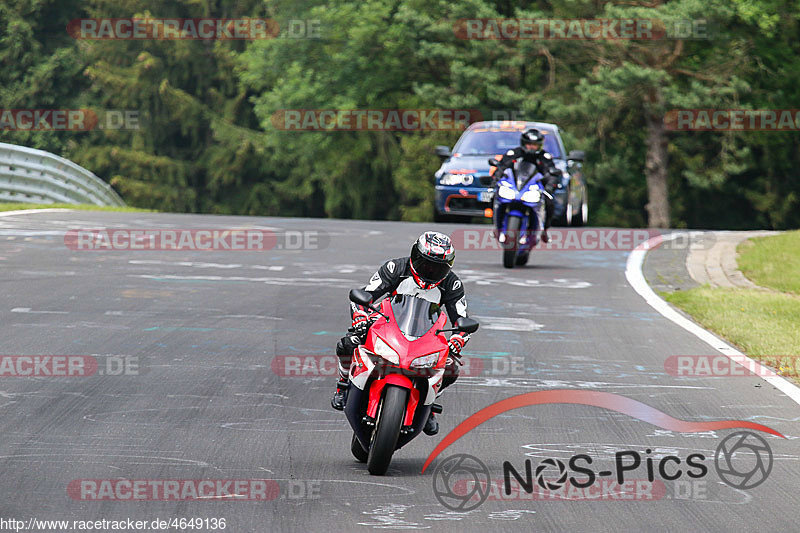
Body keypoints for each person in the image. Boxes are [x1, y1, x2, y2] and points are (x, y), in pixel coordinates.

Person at [330, 231, 471, 436]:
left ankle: (429, 404)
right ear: (415, 255)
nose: (430, 270)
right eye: (425, 263)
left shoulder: (452, 284)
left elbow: (462, 319)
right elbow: (364, 295)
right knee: (348, 343)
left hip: (427, 333)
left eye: (437, 267)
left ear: (448, 268)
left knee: (451, 367)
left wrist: (459, 338)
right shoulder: (395, 268)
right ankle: (343, 386)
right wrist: (360, 316)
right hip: (387, 322)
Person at [491, 128, 564, 242]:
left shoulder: (544, 157)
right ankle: (497, 226)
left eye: (534, 145)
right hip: (514, 187)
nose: (531, 147)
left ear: (539, 145)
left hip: (534, 188)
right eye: (529, 144)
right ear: (523, 143)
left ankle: (544, 230)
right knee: (495, 196)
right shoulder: (514, 153)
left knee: (549, 202)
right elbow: (501, 167)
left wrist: (550, 186)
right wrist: (495, 181)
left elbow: (552, 173)